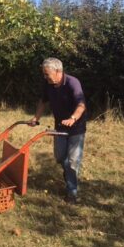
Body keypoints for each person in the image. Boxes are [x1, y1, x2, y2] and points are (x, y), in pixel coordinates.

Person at [30, 58, 86, 204]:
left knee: (73, 162)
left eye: (47, 74)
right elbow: (43, 101)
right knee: (61, 157)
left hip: (76, 128)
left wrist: (73, 118)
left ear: (58, 71)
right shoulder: (48, 84)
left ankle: (72, 193)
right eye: (44, 74)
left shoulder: (73, 83)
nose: (45, 77)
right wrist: (36, 118)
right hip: (60, 126)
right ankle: (68, 175)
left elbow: (81, 104)